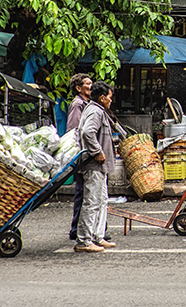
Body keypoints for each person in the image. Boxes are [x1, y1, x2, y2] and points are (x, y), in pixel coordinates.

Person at [75, 80, 117, 253]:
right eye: (109, 97)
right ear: (101, 98)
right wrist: (98, 152)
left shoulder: (97, 109)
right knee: (92, 202)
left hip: (100, 168)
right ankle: (84, 241)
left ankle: (96, 237)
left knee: (101, 202)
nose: (111, 100)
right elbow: (87, 132)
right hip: (93, 165)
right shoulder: (95, 111)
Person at [65, 73, 92, 241]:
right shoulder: (78, 104)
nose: (91, 85)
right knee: (81, 192)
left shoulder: (87, 104)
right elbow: (75, 130)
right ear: (79, 88)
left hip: (86, 154)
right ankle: (75, 229)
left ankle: (78, 228)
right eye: (88, 83)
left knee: (84, 192)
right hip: (81, 155)